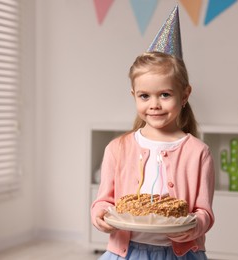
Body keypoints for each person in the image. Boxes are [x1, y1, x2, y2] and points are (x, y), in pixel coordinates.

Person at [91, 5, 215, 260]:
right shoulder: (118, 148)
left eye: (165, 95)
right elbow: (103, 201)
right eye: (144, 96)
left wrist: (195, 226)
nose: (154, 104)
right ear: (134, 96)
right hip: (127, 253)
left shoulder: (197, 152)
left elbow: (204, 211)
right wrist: (100, 215)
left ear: (184, 95)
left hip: (178, 253)